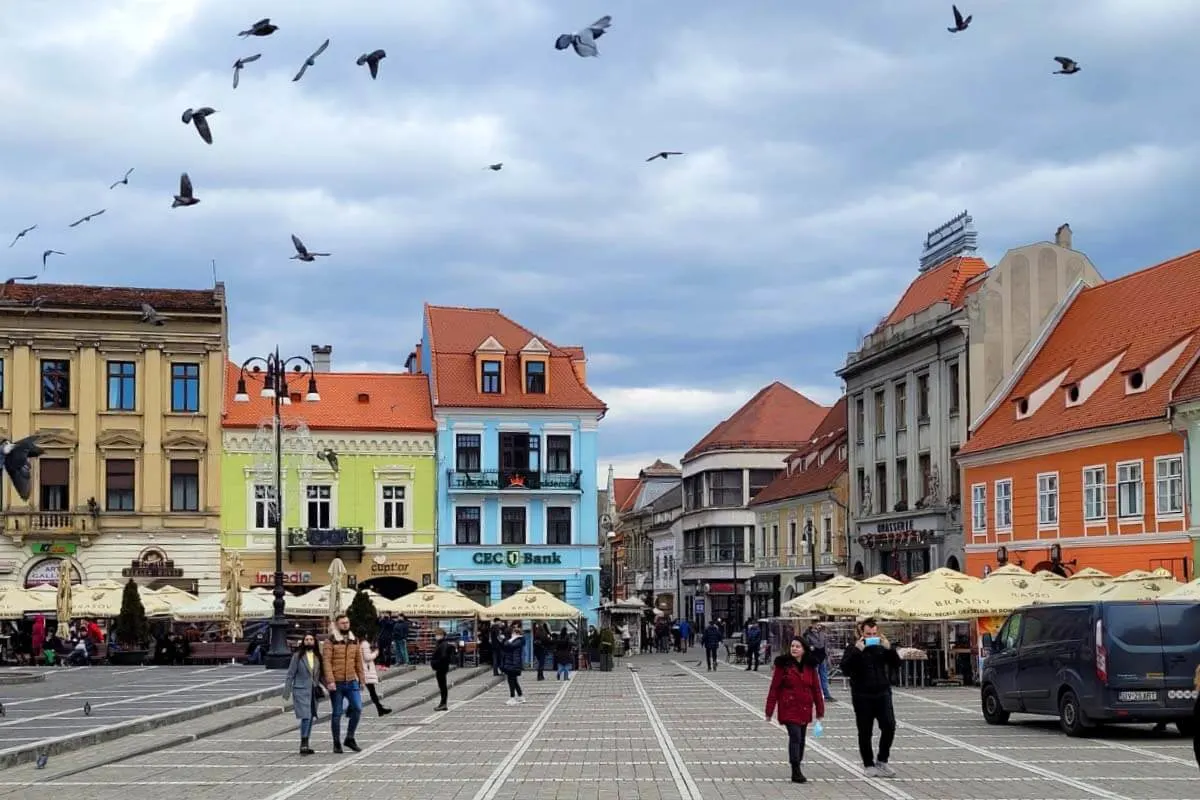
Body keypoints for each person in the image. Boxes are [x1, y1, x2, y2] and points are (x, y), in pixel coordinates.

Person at [839, 617, 901, 778]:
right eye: (868, 634)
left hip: (883, 692)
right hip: (862, 694)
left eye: (874, 633)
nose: (871, 636)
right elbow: (845, 669)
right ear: (861, 633)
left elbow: (896, 664)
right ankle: (868, 763)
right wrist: (857, 651)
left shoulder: (881, 647)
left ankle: (882, 760)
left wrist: (889, 649)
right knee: (865, 731)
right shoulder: (853, 648)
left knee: (889, 725)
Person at [765, 637, 825, 784]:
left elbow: (816, 689)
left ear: (803, 649)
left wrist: (820, 710)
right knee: (795, 736)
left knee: (802, 739)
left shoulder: (810, 666)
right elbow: (774, 688)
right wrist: (769, 710)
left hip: (804, 706)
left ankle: (798, 763)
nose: (794, 649)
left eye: (798, 646)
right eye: (792, 646)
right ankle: (795, 770)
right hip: (789, 706)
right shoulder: (783, 665)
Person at [321, 614, 366, 754]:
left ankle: (350, 737)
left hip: (352, 680)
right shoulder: (331, 641)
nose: (345, 625)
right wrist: (331, 680)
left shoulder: (354, 640)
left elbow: (358, 661)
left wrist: (362, 679)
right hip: (337, 682)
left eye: (347, 622)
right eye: (343, 623)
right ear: (337, 624)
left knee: (357, 708)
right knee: (337, 713)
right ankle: (336, 742)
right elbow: (326, 662)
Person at [284, 633, 323, 756]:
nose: (309, 641)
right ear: (303, 642)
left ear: (314, 642)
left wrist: (330, 687)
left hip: (313, 691)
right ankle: (303, 743)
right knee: (305, 716)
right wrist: (287, 690)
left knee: (311, 716)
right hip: (300, 690)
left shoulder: (318, 657)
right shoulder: (297, 656)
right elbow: (290, 674)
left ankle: (306, 742)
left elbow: (321, 676)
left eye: (311, 639)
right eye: (307, 639)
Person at [359, 635, 392, 716]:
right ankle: (379, 709)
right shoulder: (365, 644)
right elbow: (367, 657)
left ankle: (380, 708)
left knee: (370, 691)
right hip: (366, 670)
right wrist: (376, 653)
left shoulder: (358, 643)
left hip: (362, 669)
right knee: (371, 691)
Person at [805, 621, 835, 701]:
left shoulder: (822, 633)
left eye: (818, 624)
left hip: (822, 657)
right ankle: (816, 694)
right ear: (811, 624)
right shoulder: (808, 634)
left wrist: (827, 655)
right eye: (815, 624)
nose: (817, 625)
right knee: (815, 677)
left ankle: (826, 694)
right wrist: (810, 648)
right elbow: (806, 645)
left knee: (824, 676)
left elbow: (825, 645)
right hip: (814, 657)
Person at [501, 622, 526, 705]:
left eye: (513, 633)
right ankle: (521, 696)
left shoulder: (518, 641)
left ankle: (512, 698)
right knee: (514, 681)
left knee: (511, 681)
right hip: (511, 663)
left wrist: (513, 638)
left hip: (514, 664)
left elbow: (508, 645)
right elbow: (505, 645)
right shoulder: (517, 641)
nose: (511, 635)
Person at [430, 627, 454, 711]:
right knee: (442, 686)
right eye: (436, 635)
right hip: (441, 667)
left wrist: (436, 663)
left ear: (442, 635)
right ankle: (442, 703)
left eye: (438, 635)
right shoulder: (441, 643)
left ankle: (443, 703)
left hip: (441, 668)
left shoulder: (443, 644)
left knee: (442, 686)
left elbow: (443, 656)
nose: (436, 636)